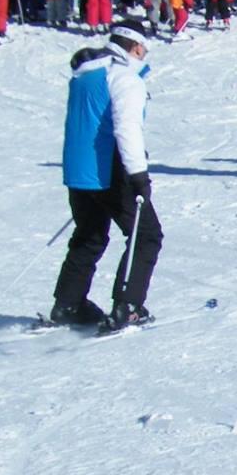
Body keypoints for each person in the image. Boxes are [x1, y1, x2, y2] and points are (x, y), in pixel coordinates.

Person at [50, 19, 160, 332]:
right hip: (110, 168)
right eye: (144, 49)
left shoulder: (86, 74)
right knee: (146, 234)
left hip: (78, 169)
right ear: (136, 47)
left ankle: (68, 302)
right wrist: (139, 174)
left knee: (90, 235)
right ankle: (129, 304)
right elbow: (126, 128)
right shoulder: (124, 77)